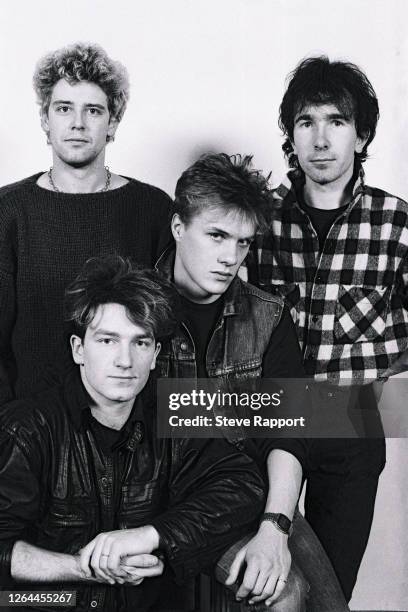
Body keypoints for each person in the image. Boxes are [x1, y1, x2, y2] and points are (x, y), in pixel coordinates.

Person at [0, 255, 266, 612]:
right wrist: (89, 568)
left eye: (140, 343)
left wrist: (150, 536)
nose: (125, 360)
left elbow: (242, 484)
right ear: (79, 350)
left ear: (155, 354)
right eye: (108, 341)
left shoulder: (173, 418)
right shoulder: (29, 429)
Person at [155, 153, 349, 611]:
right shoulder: (134, 310)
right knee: (285, 597)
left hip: (251, 492)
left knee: (329, 606)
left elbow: (289, 431)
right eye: (217, 236)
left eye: (243, 243)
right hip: (173, 500)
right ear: (179, 228)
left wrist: (276, 526)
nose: (230, 258)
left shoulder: (267, 314)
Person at [248, 55, 408, 600]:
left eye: (336, 122)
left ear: (361, 136)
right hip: (269, 425)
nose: (320, 139)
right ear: (290, 137)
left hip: (353, 426)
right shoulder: (261, 220)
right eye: (306, 122)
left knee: (330, 591)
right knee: (270, 586)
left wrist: (377, 374)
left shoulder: (395, 223)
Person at [0, 42, 172, 403]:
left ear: (113, 122)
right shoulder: (9, 210)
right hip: (29, 426)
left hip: (128, 426)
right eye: (64, 108)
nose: (78, 123)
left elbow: (169, 335)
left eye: (93, 110)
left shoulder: (152, 209)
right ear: (45, 120)